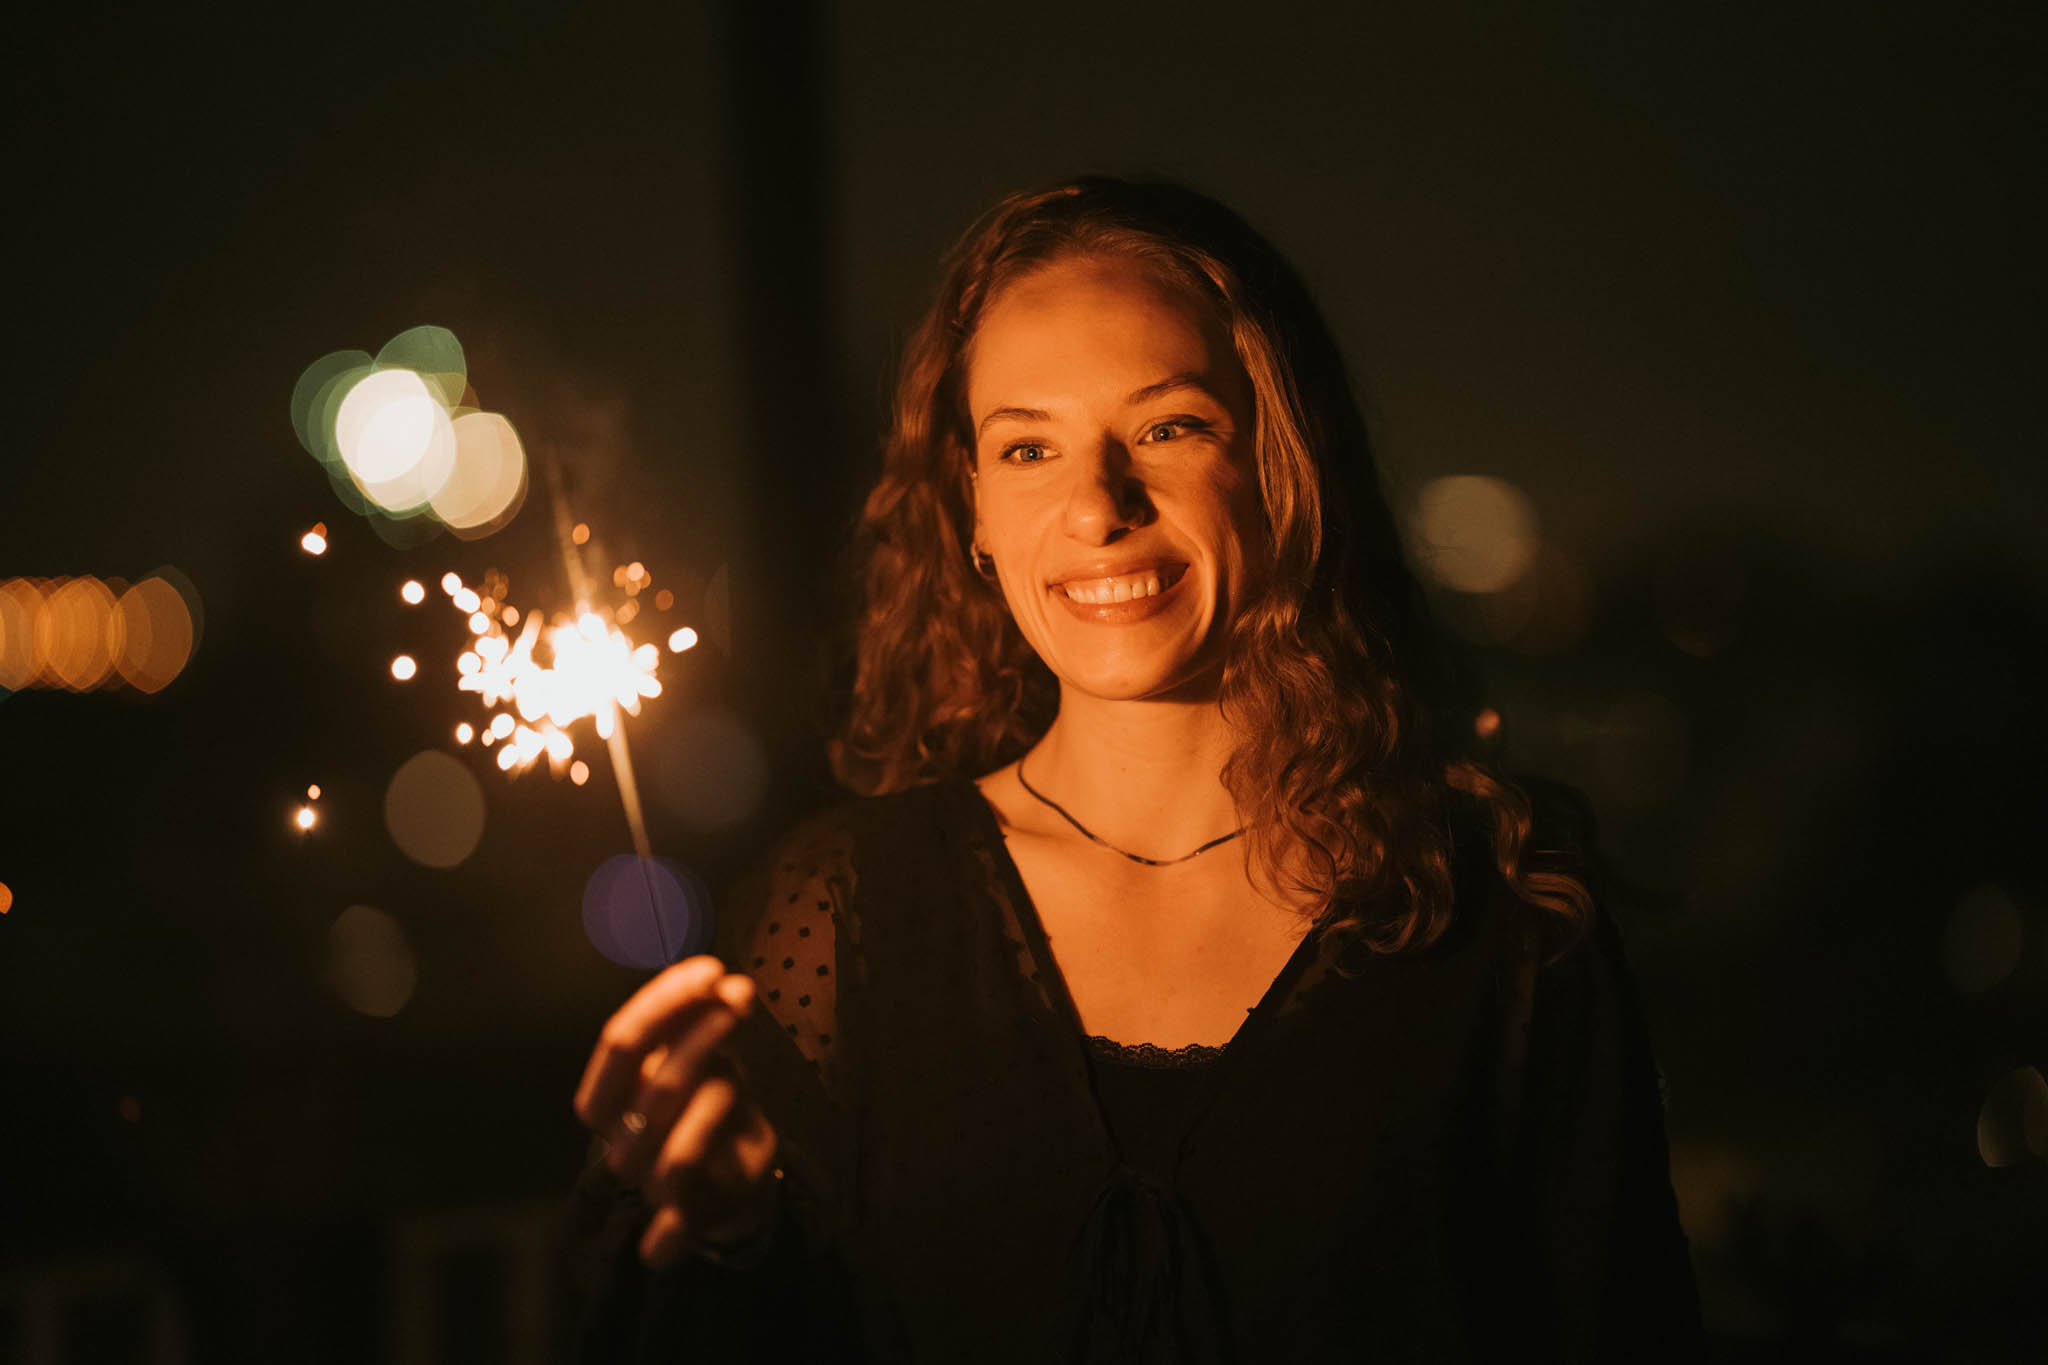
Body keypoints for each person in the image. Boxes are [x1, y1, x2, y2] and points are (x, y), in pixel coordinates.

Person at [566, 176, 1702, 1362]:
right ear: (973, 512)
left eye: (1167, 429)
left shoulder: (1497, 914)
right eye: (1027, 447)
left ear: (1280, 460)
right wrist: (727, 1237)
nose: (1096, 507)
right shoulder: (845, 911)